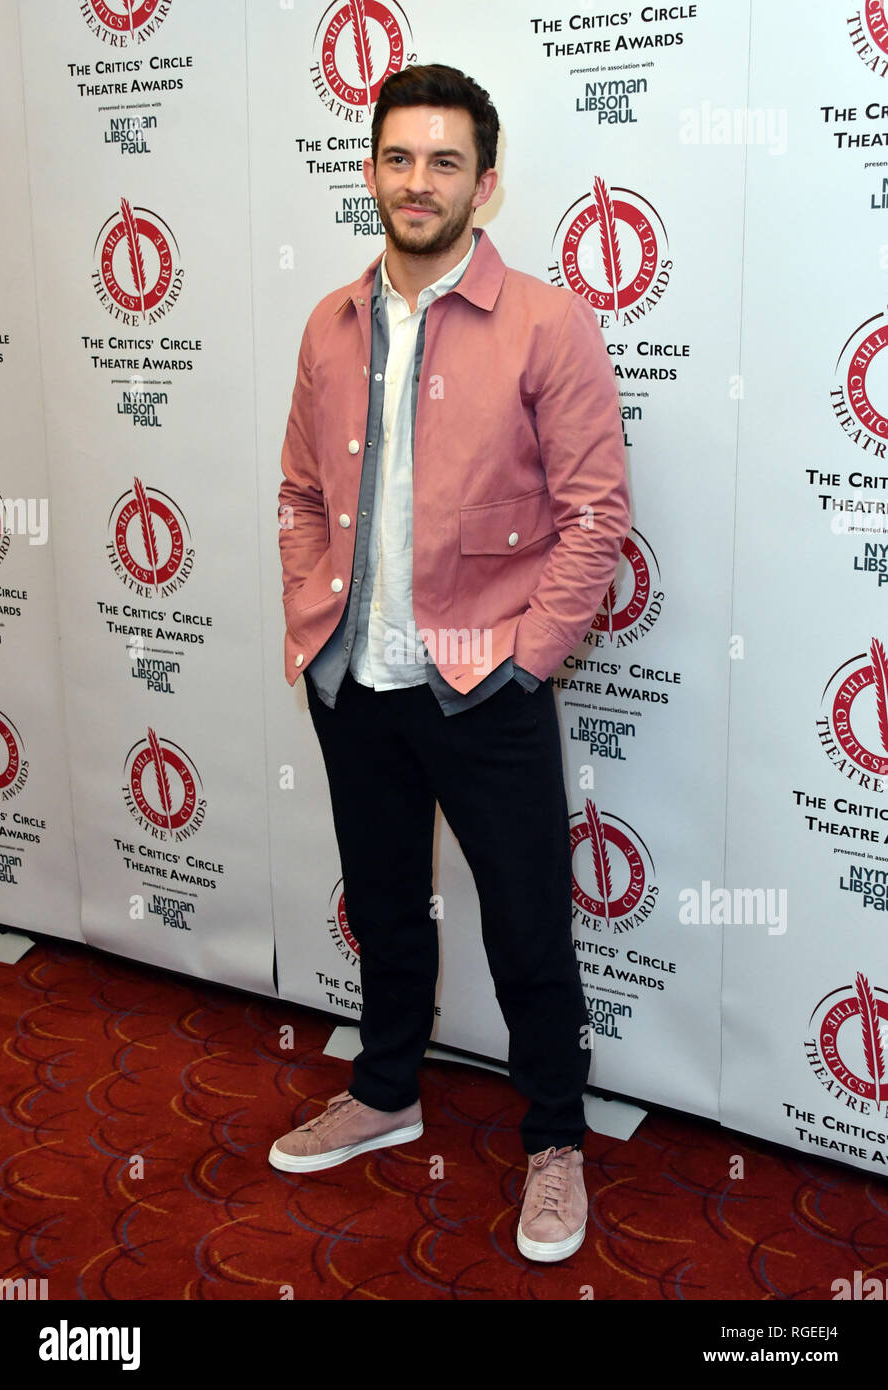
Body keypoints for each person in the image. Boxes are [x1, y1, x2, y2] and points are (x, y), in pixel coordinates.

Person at [271, 63, 631, 1264]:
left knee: (527, 921)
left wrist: (524, 663)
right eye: (396, 157)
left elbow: (596, 518)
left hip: (486, 685)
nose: (414, 181)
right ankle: (385, 1093)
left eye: (442, 161)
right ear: (369, 170)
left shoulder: (543, 321)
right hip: (352, 680)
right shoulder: (329, 322)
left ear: (485, 182)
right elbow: (297, 493)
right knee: (382, 903)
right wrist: (310, 619)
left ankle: (553, 1139)